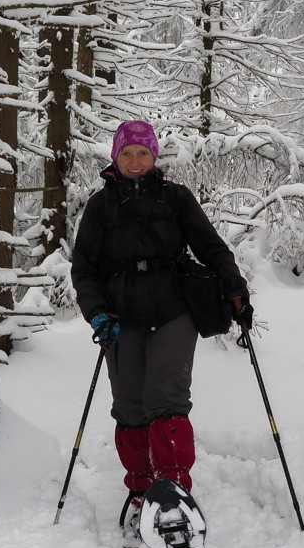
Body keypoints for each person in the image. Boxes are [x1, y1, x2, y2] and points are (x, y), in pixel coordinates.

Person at [71, 120, 253, 514]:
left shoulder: (175, 198)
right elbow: (83, 270)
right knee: (131, 407)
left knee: (167, 400)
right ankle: (139, 492)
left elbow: (212, 247)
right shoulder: (100, 206)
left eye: (143, 154)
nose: (135, 162)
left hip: (173, 311)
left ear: (154, 157)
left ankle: (172, 493)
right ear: (115, 158)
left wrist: (235, 287)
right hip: (120, 319)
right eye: (127, 153)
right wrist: (97, 313)